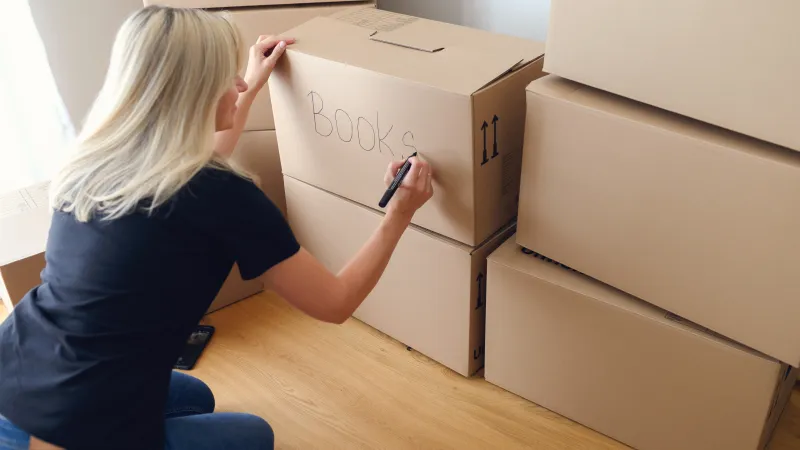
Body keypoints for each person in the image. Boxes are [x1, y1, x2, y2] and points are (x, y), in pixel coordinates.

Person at [0, 6, 433, 450]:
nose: (240, 84)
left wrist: (253, 78)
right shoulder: (224, 197)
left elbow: (203, 163)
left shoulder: (96, 159)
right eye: (227, 77)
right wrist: (399, 214)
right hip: (58, 432)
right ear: (192, 92)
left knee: (196, 396)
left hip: (17, 363)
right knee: (254, 436)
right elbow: (335, 303)